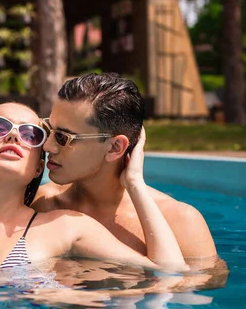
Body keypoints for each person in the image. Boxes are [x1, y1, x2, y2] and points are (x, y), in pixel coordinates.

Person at [0, 102, 187, 276]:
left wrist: (135, 183)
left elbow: (168, 272)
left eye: (30, 133)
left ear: (39, 166)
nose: (12, 135)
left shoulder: (66, 227)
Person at [31, 73, 222, 271]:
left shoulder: (181, 221)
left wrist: (135, 184)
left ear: (114, 148)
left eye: (62, 137)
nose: (47, 146)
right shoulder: (41, 204)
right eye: (48, 129)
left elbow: (203, 287)